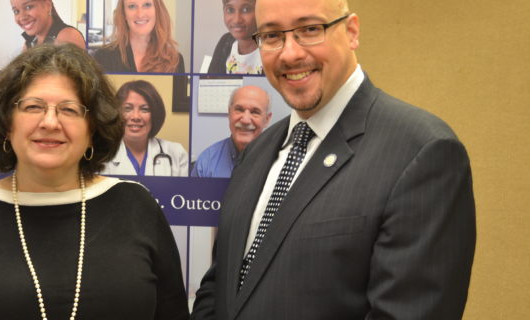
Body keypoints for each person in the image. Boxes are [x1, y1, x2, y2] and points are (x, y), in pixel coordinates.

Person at [191, 0, 476, 318]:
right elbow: (219, 289)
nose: (290, 53)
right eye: (272, 36)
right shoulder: (256, 153)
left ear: (352, 31)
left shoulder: (422, 153)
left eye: (310, 29)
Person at [0, 44, 189, 319]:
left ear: (93, 128)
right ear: (6, 124)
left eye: (69, 110)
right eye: (33, 107)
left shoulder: (136, 206)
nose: (50, 122)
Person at [102, 80, 189, 176]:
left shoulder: (176, 153)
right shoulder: (101, 155)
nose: (136, 117)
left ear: (155, 115)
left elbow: (183, 191)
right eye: (128, 108)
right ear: (117, 114)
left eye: (144, 109)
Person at [191, 85, 271, 177]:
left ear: (267, 119)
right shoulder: (206, 162)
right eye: (239, 110)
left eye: (255, 112)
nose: (245, 120)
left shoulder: (279, 160)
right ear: (229, 113)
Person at [91, 0, 185, 73]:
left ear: (157, 10)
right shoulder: (102, 57)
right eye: (132, 6)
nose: (140, 14)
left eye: (147, 5)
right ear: (123, 14)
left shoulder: (175, 60)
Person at [208, 0, 263, 74]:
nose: (237, 20)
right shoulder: (225, 42)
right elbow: (211, 81)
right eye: (230, 10)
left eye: (246, 9)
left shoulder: (272, 47)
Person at [11, 0, 86, 51]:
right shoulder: (30, 41)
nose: (22, 17)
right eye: (16, 11)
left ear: (48, 5)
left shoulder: (68, 36)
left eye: (28, 7)